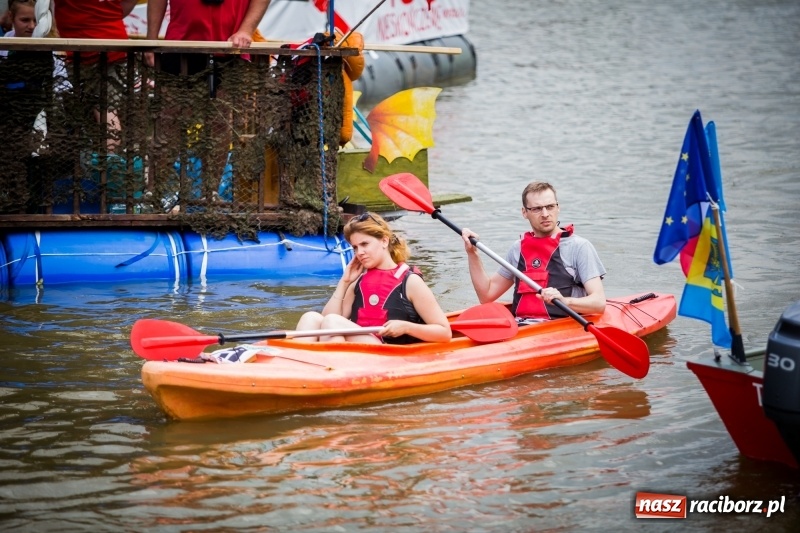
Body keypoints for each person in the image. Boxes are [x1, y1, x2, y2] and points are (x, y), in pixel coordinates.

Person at [294, 212, 452, 345]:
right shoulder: (358, 281)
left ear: (384, 241)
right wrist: (344, 282)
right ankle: (296, 367)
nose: (359, 252)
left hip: (389, 353)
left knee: (333, 322)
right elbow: (326, 319)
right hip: (362, 348)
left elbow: (444, 332)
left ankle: (318, 371)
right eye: (355, 247)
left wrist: (407, 327)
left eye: (364, 244)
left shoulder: (410, 281)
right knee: (311, 318)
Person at [461, 181, 606, 322]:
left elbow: (599, 303)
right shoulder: (517, 249)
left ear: (558, 207)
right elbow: (486, 295)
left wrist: (565, 301)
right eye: (536, 209)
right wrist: (472, 253)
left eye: (550, 207)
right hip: (521, 327)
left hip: (562, 326)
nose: (545, 214)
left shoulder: (579, 247)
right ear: (524, 212)